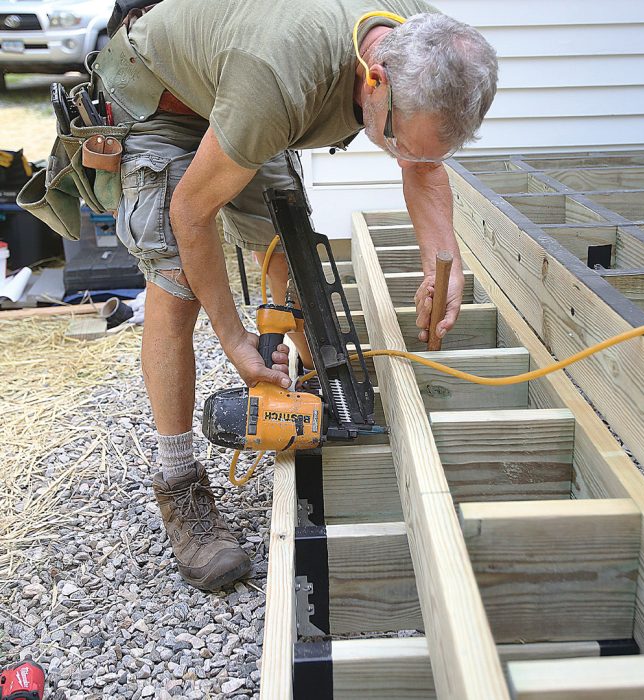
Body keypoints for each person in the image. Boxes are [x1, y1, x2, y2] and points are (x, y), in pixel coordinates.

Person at [98, 0, 497, 591]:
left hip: (236, 88)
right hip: (159, 98)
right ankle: (178, 481)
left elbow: (424, 159)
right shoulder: (278, 79)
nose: (408, 158)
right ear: (375, 79)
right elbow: (191, 211)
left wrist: (444, 257)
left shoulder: (425, 37)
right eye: (398, 143)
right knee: (178, 282)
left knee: (290, 249)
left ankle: (326, 396)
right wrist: (233, 337)